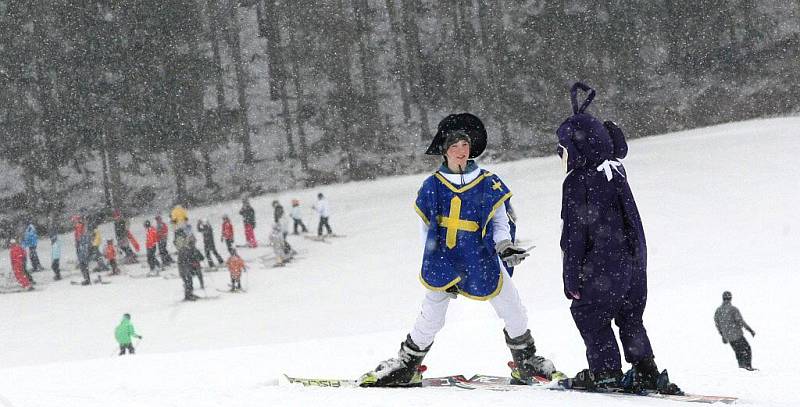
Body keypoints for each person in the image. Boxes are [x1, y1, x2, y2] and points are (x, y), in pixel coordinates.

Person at [358, 113, 553, 387]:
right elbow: (427, 231)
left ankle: (526, 362)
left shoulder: (488, 182)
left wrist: (505, 246)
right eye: (454, 147)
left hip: (481, 257)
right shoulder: (433, 186)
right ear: (444, 151)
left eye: (464, 145)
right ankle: (407, 365)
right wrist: (436, 260)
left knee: (512, 307)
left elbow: (499, 221)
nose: (461, 151)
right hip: (445, 259)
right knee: (431, 313)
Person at [556, 82, 681, 394]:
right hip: (635, 260)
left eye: (562, 151)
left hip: (604, 262)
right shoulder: (615, 169)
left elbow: (575, 235)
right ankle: (645, 368)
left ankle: (606, 371)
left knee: (589, 313)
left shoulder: (579, 181)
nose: (561, 158)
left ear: (575, 149)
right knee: (629, 315)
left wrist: (571, 278)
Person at [714, 291, 756, 370]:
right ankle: (748, 366)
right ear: (730, 298)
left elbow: (717, 324)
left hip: (728, 337)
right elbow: (740, 321)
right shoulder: (733, 309)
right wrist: (750, 330)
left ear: (723, 298)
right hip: (737, 335)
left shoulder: (718, 311)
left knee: (738, 351)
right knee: (747, 349)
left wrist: (722, 335)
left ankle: (741, 367)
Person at [174, 222, 197, 301]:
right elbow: (187, 258)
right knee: (188, 281)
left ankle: (189, 294)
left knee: (188, 280)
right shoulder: (184, 249)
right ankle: (188, 295)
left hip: (184, 267)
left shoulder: (182, 245)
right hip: (184, 267)